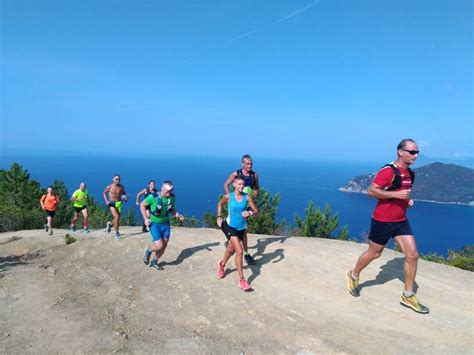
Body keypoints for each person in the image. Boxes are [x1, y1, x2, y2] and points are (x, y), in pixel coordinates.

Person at [346, 139, 429, 314]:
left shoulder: (410, 173)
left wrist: (406, 200)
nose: (416, 155)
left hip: (400, 220)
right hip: (383, 221)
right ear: (400, 152)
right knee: (374, 253)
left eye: (417, 152)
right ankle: (353, 274)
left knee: (412, 255)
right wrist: (398, 195)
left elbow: (400, 195)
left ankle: (407, 295)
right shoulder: (388, 171)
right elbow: (371, 191)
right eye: (412, 152)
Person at [217, 175, 258, 291]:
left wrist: (249, 213)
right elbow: (220, 203)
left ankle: (222, 264)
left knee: (231, 249)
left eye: (243, 184)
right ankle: (242, 280)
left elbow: (256, 211)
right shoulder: (228, 197)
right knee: (239, 251)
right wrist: (219, 217)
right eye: (239, 184)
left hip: (241, 228)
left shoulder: (247, 197)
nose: (241, 186)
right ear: (234, 185)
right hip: (229, 226)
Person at [223, 154, 260, 265]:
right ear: (242, 163)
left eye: (251, 164)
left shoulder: (254, 175)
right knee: (236, 225)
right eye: (248, 164)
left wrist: (256, 193)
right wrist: (229, 196)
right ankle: (234, 242)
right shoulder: (236, 174)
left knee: (244, 230)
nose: (250, 166)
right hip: (235, 203)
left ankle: (246, 253)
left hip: (246, 205)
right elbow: (226, 184)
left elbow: (258, 189)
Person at [141, 180, 185, 270]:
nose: (170, 192)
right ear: (163, 188)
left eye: (171, 190)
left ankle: (154, 262)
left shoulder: (172, 198)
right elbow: (142, 205)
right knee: (159, 245)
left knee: (164, 245)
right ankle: (148, 251)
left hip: (165, 223)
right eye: (168, 190)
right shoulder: (153, 197)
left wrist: (178, 215)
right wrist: (146, 218)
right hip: (154, 223)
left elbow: (172, 209)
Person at [103, 174, 128, 240]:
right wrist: (106, 201)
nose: (118, 180)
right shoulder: (110, 187)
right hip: (111, 203)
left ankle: (110, 224)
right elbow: (104, 193)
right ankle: (117, 233)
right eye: (116, 179)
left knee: (117, 218)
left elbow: (124, 193)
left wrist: (125, 197)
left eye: (119, 179)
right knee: (116, 216)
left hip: (119, 203)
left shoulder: (121, 187)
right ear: (113, 179)